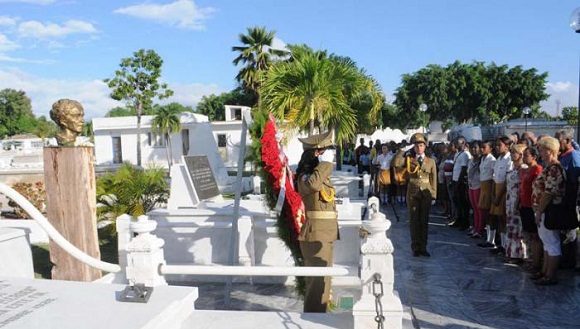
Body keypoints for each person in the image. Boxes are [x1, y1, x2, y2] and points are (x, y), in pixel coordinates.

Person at [296, 131, 339, 312]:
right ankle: (313, 319)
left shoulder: (318, 174)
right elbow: (313, 185)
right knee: (316, 284)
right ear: (314, 154)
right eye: (323, 151)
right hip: (315, 233)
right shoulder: (305, 177)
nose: (327, 156)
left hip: (325, 232)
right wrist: (326, 164)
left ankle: (320, 316)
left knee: (324, 281)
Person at [531, 136, 565, 285]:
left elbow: (548, 193)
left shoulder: (554, 169)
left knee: (552, 243)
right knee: (547, 242)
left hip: (549, 211)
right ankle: (544, 272)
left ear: (550, 151)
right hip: (543, 210)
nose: (540, 153)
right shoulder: (548, 167)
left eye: (542, 150)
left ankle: (550, 275)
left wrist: (539, 211)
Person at [406, 133, 437, 257]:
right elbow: (395, 163)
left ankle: (423, 247)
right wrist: (402, 151)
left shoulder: (430, 161)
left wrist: (434, 195)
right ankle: (415, 248)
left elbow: (433, 178)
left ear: (425, 147)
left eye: (421, 145)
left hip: (425, 193)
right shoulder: (409, 160)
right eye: (416, 146)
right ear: (413, 147)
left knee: (424, 221)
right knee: (414, 221)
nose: (419, 148)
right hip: (413, 193)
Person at [519, 147, 543, 272]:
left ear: (534, 156)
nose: (523, 157)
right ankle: (530, 259)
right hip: (524, 205)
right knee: (528, 234)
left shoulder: (537, 169)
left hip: (532, 206)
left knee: (535, 236)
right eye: (523, 155)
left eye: (526, 155)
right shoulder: (525, 170)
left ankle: (537, 262)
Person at [489, 136, 513, 254]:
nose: (497, 147)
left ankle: (506, 246)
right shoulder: (498, 159)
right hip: (496, 189)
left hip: (504, 191)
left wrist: (499, 196)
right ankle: (502, 245)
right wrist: (493, 193)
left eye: (500, 145)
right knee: (498, 219)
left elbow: (507, 180)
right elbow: (494, 177)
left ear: (507, 146)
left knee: (504, 219)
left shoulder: (509, 160)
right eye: (496, 145)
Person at [504, 143, 526, 263]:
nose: (512, 155)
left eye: (514, 153)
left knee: (518, 229)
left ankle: (519, 255)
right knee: (511, 227)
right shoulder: (513, 168)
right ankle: (510, 252)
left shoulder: (523, 168)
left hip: (517, 200)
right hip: (509, 200)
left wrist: (518, 201)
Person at [477, 140, 497, 248]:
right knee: (484, 212)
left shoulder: (492, 160)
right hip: (483, 186)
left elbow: (494, 176)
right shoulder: (483, 159)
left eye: (484, 147)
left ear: (490, 148)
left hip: (489, 186)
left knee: (490, 214)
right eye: (481, 147)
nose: (481, 149)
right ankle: (488, 238)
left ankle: (492, 240)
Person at [450, 137, 472, 230]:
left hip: (461, 182)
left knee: (463, 202)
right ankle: (458, 219)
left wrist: (459, 182)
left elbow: (463, 169)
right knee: (457, 201)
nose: (456, 144)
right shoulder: (457, 153)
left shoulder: (465, 154)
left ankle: (465, 222)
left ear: (463, 143)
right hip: (455, 180)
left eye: (458, 143)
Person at [467, 141, 483, 238]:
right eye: (472, 148)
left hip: (479, 186)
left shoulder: (481, 161)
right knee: (474, 209)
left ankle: (480, 229)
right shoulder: (471, 160)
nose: (473, 150)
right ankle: (475, 227)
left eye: (475, 147)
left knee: (479, 209)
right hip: (471, 185)